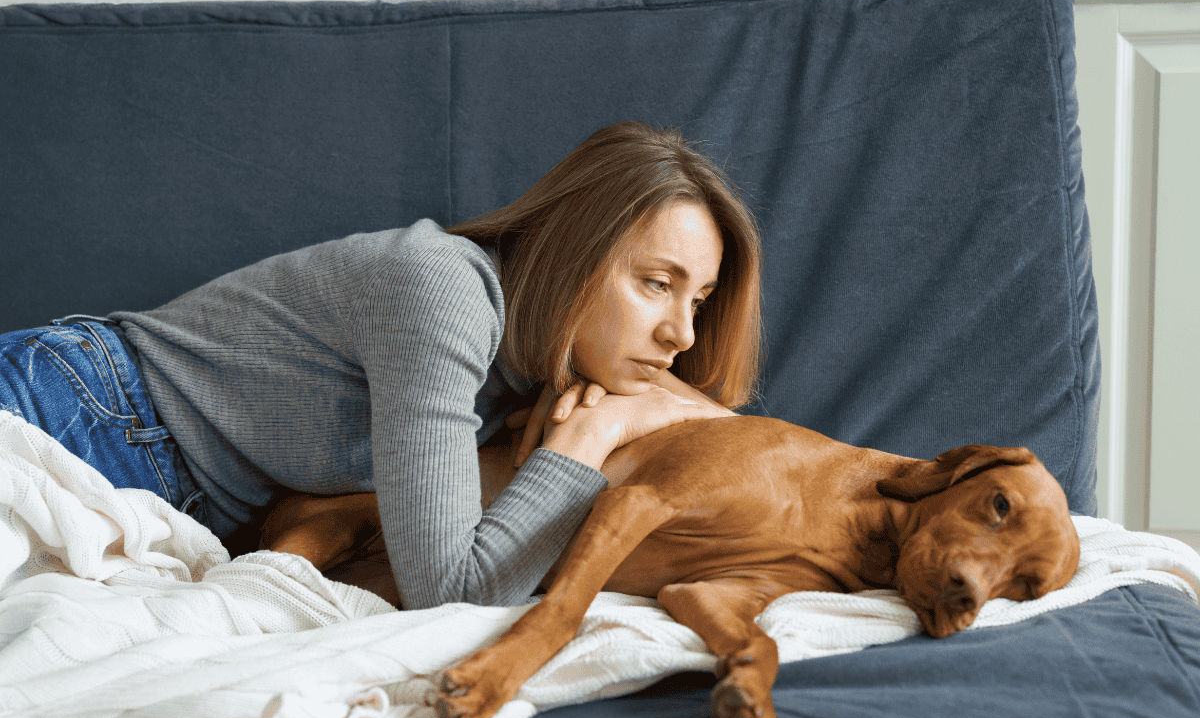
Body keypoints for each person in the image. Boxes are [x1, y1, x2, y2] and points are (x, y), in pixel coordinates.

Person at [0, 122, 764, 610]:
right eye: (656, 284)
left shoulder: (535, 373)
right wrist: (595, 438)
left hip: (149, 485)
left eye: (698, 299)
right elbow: (451, 589)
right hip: (76, 406)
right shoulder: (444, 292)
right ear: (574, 255)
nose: (682, 336)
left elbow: (729, 445)